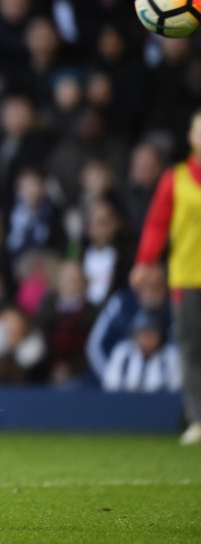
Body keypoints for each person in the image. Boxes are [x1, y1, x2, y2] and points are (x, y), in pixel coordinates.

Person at [132, 109, 201, 446]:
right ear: (191, 137)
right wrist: (145, 262)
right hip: (187, 275)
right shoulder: (175, 179)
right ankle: (197, 418)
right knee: (191, 348)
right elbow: (157, 224)